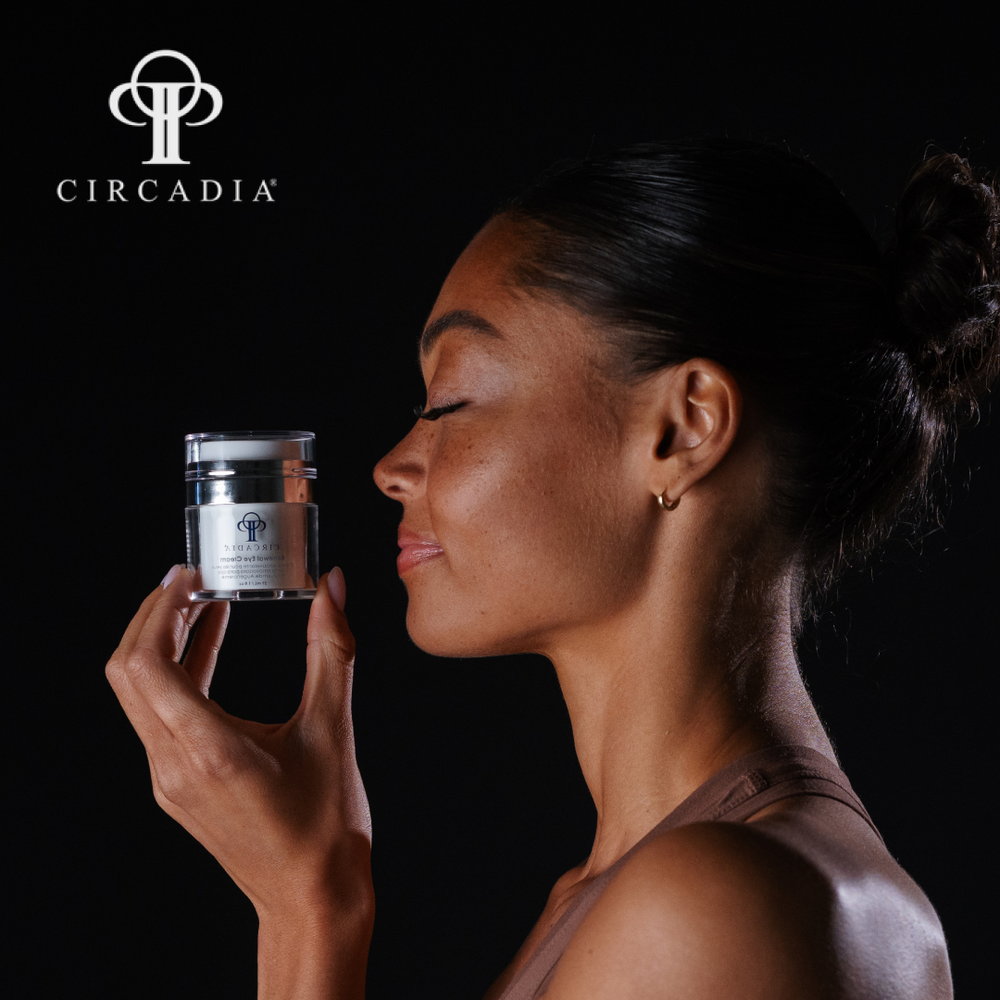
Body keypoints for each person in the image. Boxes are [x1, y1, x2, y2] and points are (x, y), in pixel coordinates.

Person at [106, 139, 999, 999]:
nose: (390, 467)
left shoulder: (713, 905)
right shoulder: (641, 887)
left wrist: (308, 908)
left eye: (450, 400)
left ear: (683, 428)